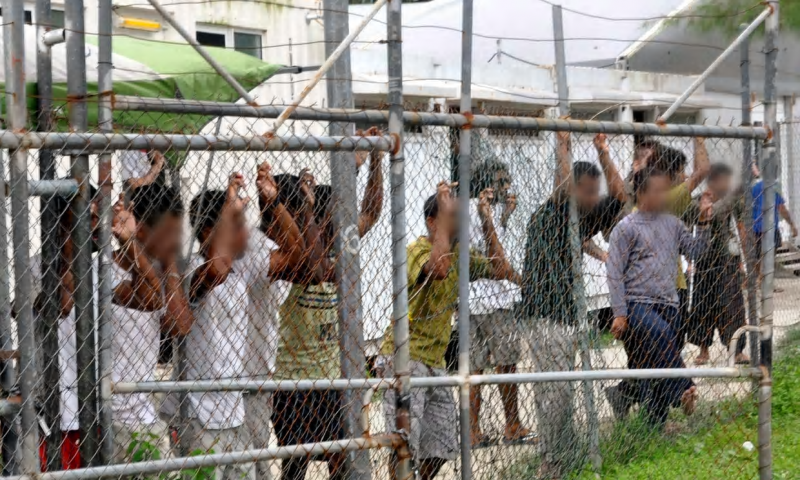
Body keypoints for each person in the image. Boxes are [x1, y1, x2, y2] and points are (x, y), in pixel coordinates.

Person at [379, 181, 517, 480]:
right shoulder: (416, 250)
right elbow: (438, 269)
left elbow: (501, 268)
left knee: (441, 446)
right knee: (404, 447)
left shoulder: (460, 253)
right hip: (404, 359)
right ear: (433, 222)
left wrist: (486, 219)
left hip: (435, 361)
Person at [272, 137, 384, 480]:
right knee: (296, 464)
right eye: (331, 217)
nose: (339, 224)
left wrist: (377, 158)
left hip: (333, 378)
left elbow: (371, 213)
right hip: (294, 383)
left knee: (342, 460)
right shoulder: (293, 257)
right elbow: (315, 268)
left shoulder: (337, 248)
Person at [186, 164, 303, 480]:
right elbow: (215, 272)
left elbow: (296, 257)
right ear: (210, 229)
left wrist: (274, 203)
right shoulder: (189, 270)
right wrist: (230, 209)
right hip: (199, 413)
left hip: (233, 410)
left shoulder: (243, 267)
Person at [520, 132, 625, 478]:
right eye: (589, 191)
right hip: (545, 315)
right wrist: (562, 145)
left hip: (566, 313)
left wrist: (603, 152)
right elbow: (562, 185)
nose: (595, 198)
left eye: (596, 192)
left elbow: (621, 198)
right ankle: (550, 463)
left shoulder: (579, 218)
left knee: (561, 392)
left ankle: (561, 457)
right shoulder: (555, 211)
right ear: (574, 188)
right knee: (552, 394)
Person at [607, 167, 709, 427]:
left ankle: (654, 427)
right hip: (637, 304)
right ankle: (685, 388)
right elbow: (614, 272)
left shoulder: (672, 223)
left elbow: (695, 252)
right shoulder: (626, 228)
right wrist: (619, 312)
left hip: (669, 304)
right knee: (663, 335)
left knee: (654, 366)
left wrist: (705, 223)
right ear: (641, 193)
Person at [109, 183, 192, 463]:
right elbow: (148, 297)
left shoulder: (164, 272)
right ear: (142, 228)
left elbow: (179, 326)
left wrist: (169, 264)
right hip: (113, 415)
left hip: (142, 413)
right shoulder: (104, 272)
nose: (177, 242)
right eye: (170, 233)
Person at [29, 185, 99, 471]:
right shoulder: (34, 267)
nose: (95, 225)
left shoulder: (100, 268)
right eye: (87, 217)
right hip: (53, 409)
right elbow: (62, 304)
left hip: (92, 409)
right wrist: (73, 242)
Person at [467, 158, 532, 447]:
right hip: (495, 299)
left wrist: (505, 216)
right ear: (488, 185)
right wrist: (522, 282)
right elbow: (496, 259)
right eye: (502, 182)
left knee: (473, 368)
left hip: (470, 300)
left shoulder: (469, 209)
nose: (507, 187)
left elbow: (485, 244)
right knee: (506, 365)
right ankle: (512, 424)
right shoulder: (479, 210)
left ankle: (472, 431)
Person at [684, 164, 748, 365]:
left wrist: (745, 261)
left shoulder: (732, 200)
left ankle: (736, 350)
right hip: (703, 261)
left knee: (732, 305)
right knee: (702, 306)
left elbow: (741, 228)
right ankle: (704, 350)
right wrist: (688, 260)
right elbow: (685, 229)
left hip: (726, 259)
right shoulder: (696, 202)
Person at [751, 163, 798, 271]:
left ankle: (760, 279)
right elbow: (781, 209)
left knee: (758, 254)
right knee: (769, 254)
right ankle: (764, 280)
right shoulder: (774, 188)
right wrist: (792, 225)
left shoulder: (754, 188)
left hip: (757, 227)